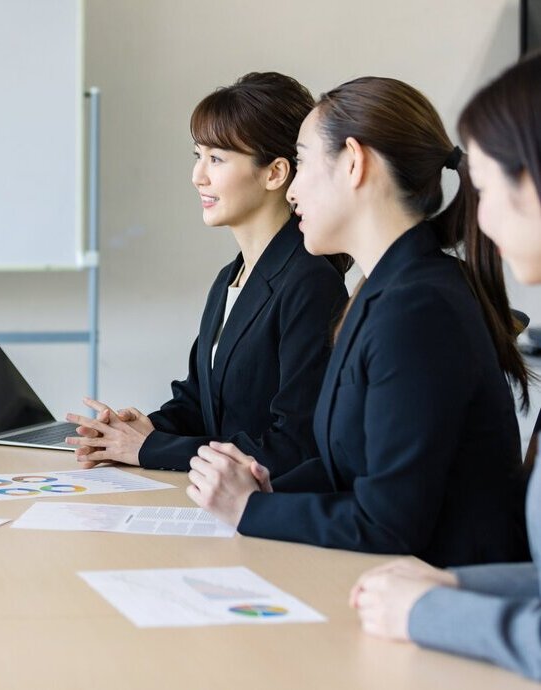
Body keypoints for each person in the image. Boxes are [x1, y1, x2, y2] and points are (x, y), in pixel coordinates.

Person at [186, 75, 531, 567]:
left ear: (354, 162)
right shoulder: (383, 289)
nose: (294, 188)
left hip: (435, 592)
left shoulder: (418, 307)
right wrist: (265, 487)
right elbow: (348, 469)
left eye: (302, 162)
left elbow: (390, 520)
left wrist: (252, 508)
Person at [351, 53, 541, 681]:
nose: (477, 218)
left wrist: (429, 610)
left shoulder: (419, 298)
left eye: (487, 191)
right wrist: (454, 583)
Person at [65, 72, 348, 478]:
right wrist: (143, 430)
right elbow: (199, 402)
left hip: (263, 514)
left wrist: (150, 449)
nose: (198, 176)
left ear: (275, 173)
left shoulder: (309, 283)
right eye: (197, 156)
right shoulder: (230, 278)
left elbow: (293, 445)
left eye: (216, 159)